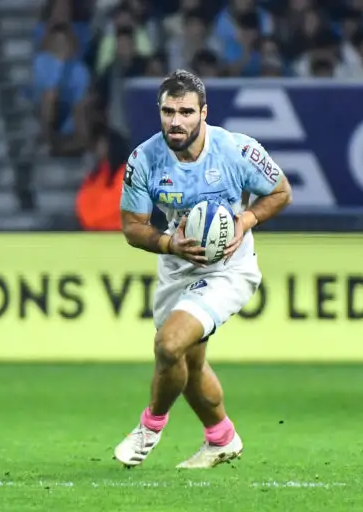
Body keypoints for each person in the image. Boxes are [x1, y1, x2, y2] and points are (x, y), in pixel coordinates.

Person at [113, 69, 292, 469]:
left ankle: (149, 427)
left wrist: (245, 221)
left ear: (204, 113)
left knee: (169, 345)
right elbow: (132, 226)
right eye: (168, 112)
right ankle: (222, 438)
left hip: (229, 268)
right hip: (177, 266)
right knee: (188, 365)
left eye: (186, 112)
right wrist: (169, 244)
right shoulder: (144, 159)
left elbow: (281, 192)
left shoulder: (237, 150)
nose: (176, 121)